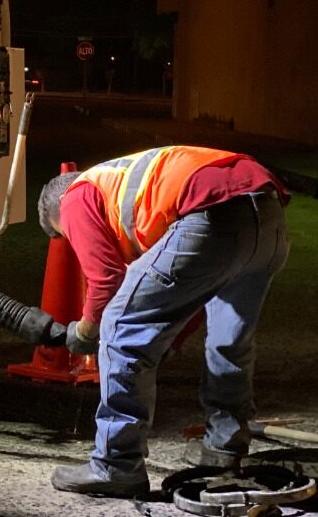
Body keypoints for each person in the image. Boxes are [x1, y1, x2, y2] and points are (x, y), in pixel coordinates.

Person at [38, 145, 290, 497]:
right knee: (229, 342)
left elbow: (106, 279)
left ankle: (116, 465)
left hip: (213, 214)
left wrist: (85, 331)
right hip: (267, 213)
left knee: (119, 326)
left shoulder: (75, 196)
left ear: (56, 212)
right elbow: (191, 292)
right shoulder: (124, 184)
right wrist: (172, 338)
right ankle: (224, 450)